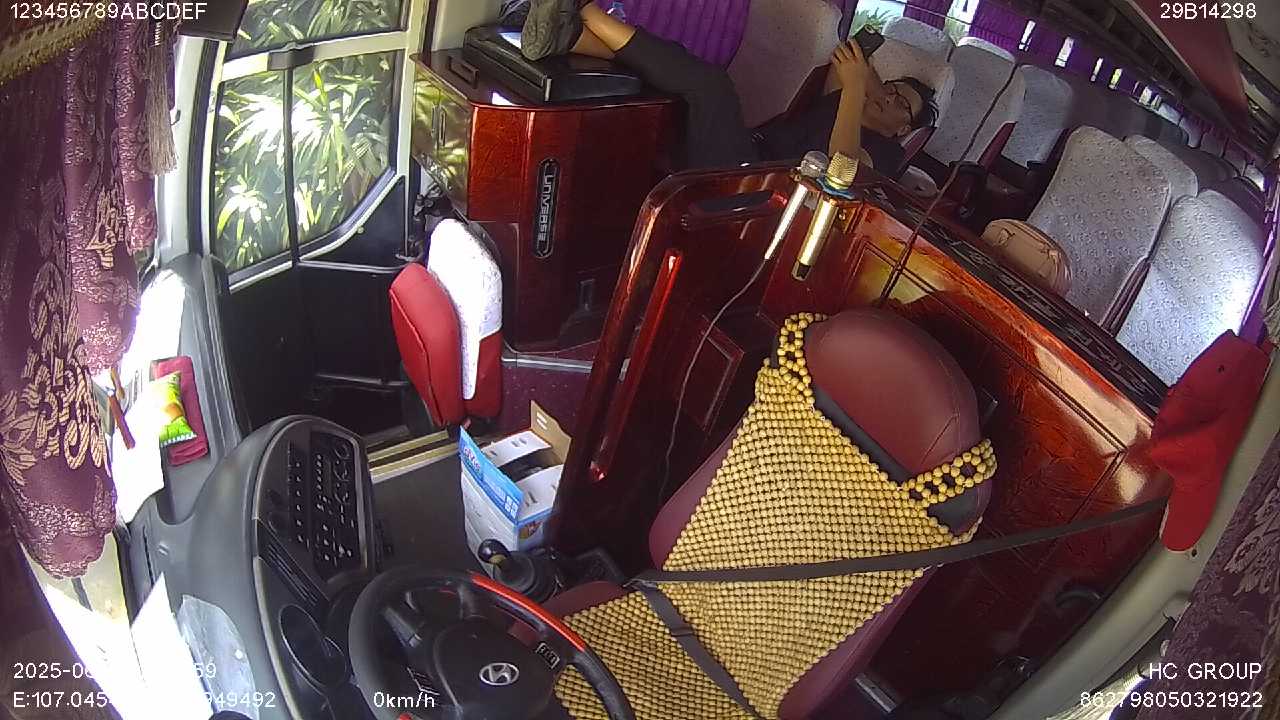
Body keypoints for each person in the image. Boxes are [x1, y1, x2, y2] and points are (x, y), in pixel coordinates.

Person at [516, 0, 939, 174]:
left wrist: (857, 91)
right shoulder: (842, 101)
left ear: (904, 128)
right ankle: (567, 37)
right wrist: (868, 80)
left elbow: (841, 171)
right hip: (744, 149)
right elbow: (850, 63)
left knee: (711, 84)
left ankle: (583, 9)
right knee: (672, 65)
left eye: (902, 103)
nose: (889, 96)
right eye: (891, 88)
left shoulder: (886, 153)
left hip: (756, 185)